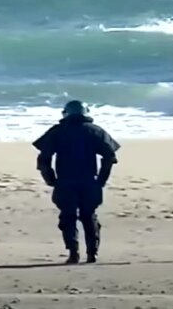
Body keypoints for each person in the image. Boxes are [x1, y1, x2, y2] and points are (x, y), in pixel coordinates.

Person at [32, 100, 120, 264]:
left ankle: (74, 253)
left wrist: (50, 179)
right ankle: (92, 254)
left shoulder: (57, 132)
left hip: (65, 182)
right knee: (89, 216)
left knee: (68, 216)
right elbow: (109, 157)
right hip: (89, 181)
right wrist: (101, 180)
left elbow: (43, 159)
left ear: (66, 113)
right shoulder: (96, 131)